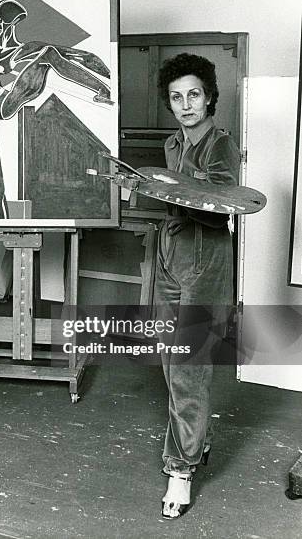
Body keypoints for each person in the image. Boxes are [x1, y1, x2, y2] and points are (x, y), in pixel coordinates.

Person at [0, 0, 113, 218]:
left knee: (49, 55)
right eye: (7, 24)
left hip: (2, 102)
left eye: (13, 24)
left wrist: (103, 81)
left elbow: (77, 55)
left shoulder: (20, 50)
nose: (8, 30)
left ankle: (102, 92)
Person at [154, 53, 241, 518]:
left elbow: (220, 202)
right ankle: (198, 437)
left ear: (209, 99)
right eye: (176, 97)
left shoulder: (219, 144)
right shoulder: (172, 143)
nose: (185, 104)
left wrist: (174, 187)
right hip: (172, 253)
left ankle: (181, 469)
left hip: (206, 259)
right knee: (168, 358)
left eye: (193, 95)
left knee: (190, 366)